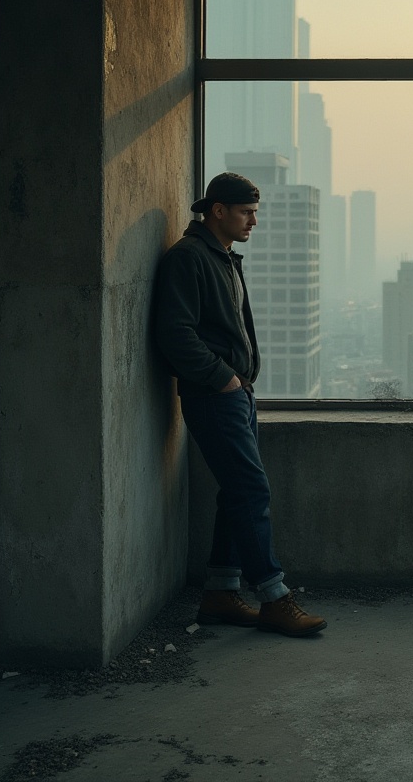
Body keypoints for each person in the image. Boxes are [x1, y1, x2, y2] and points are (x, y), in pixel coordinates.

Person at [154, 172, 326, 637]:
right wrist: (223, 379)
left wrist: (240, 382)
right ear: (217, 211)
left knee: (237, 493)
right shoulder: (188, 258)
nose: (253, 221)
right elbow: (174, 335)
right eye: (247, 213)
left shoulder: (223, 257)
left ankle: (220, 593)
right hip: (214, 396)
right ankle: (274, 596)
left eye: (254, 212)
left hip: (235, 394)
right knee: (252, 491)